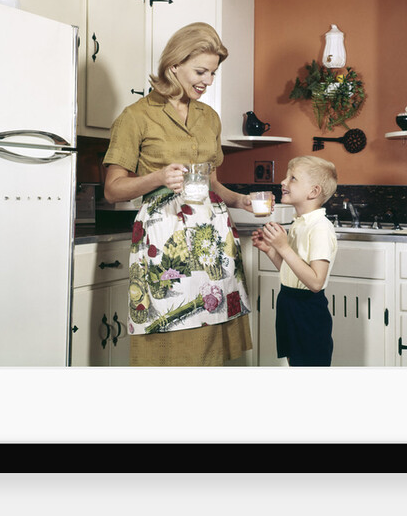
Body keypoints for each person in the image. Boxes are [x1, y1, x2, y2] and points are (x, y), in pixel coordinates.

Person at [102, 22, 254, 366]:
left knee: (212, 335)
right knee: (168, 328)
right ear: (174, 65)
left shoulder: (209, 118)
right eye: (201, 71)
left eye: (213, 73)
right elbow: (113, 189)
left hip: (212, 242)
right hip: (164, 241)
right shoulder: (136, 117)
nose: (208, 81)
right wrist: (157, 176)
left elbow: (212, 183)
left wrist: (240, 200)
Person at [252, 155, 338, 367]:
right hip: (288, 302)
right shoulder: (299, 224)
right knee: (295, 363)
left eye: (293, 178)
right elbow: (294, 272)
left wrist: (282, 247)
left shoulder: (320, 227)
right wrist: (272, 251)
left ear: (313, 191)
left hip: (307, 310)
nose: (283, 182)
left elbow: (316, 282)